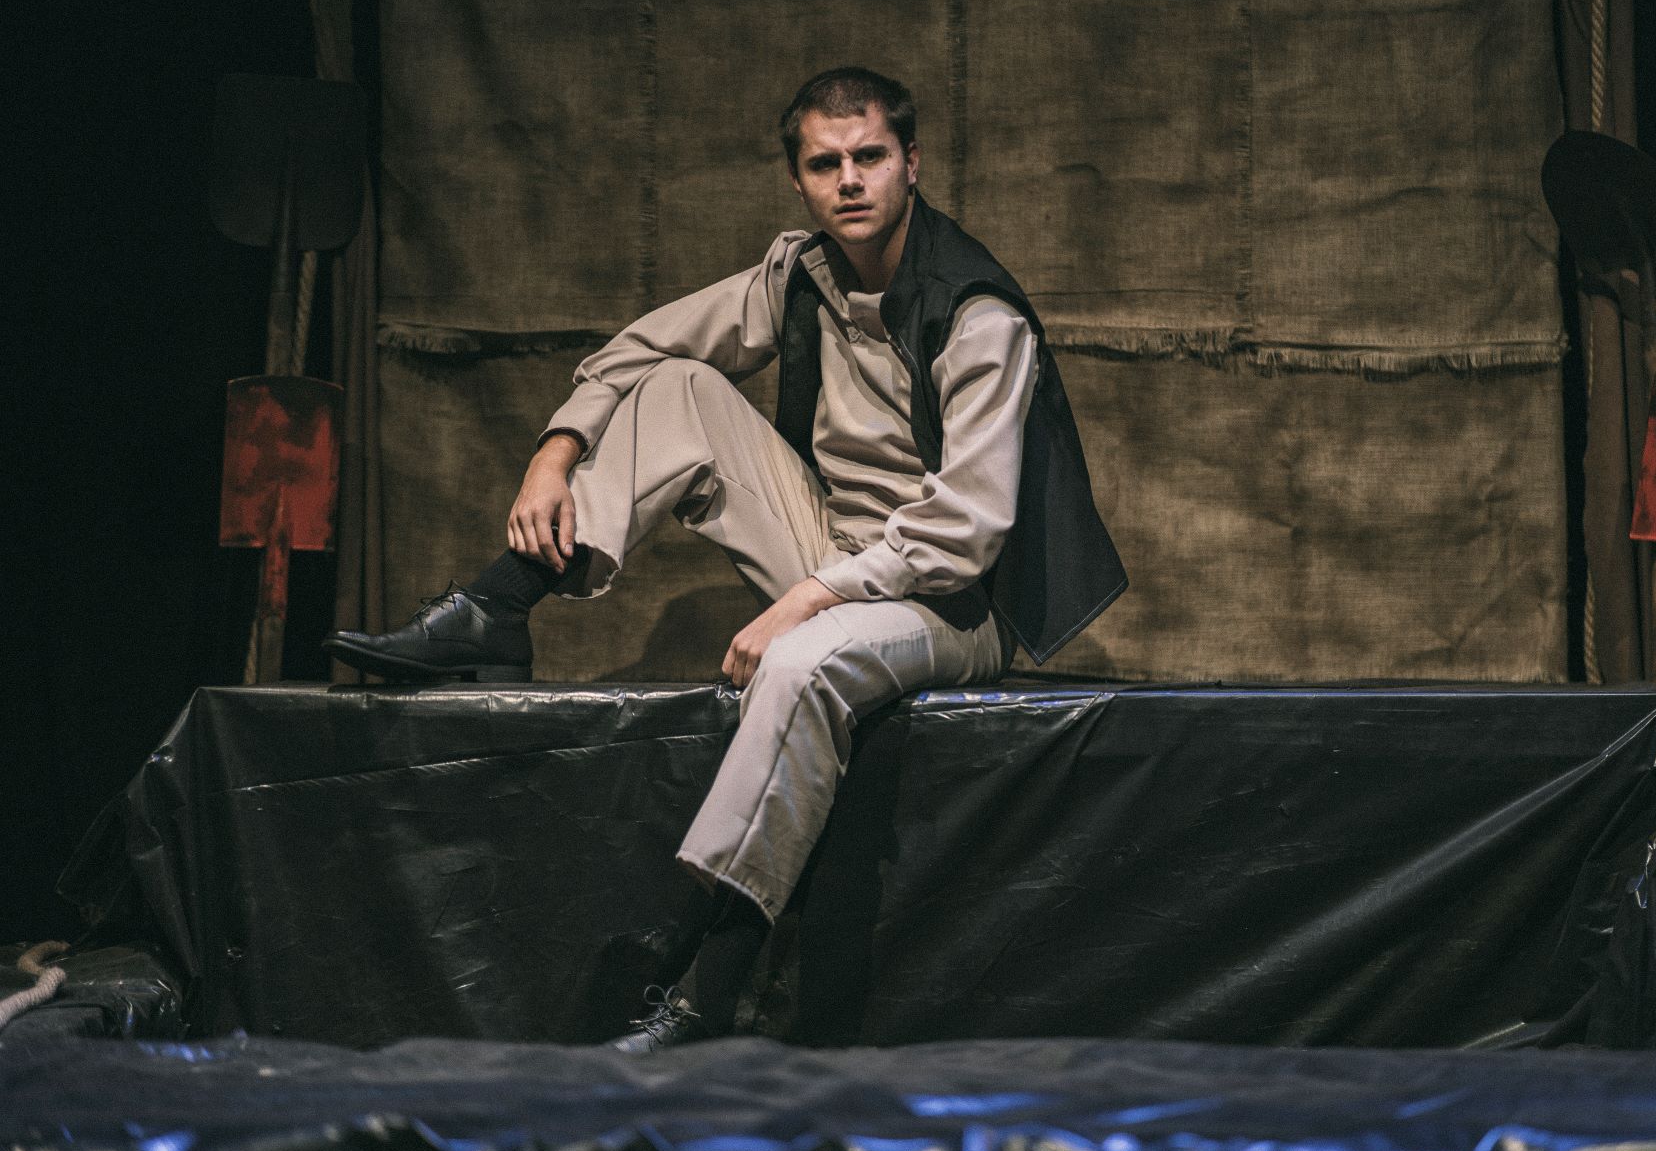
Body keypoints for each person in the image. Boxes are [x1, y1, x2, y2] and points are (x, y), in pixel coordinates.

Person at [322, 66, 1126, 1050]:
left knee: (801, 662)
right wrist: (554, 453)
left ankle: (710, 987)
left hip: (953, 601)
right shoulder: (801, 272)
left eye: (870, 156)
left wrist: (807, 600)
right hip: (833, 549)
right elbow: (642, 349)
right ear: (798, 180)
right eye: (825, 164)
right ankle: (499, 604)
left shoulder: (976, 313)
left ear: (911, 163)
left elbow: (966, 529)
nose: (850, 180)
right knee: (680, 388)